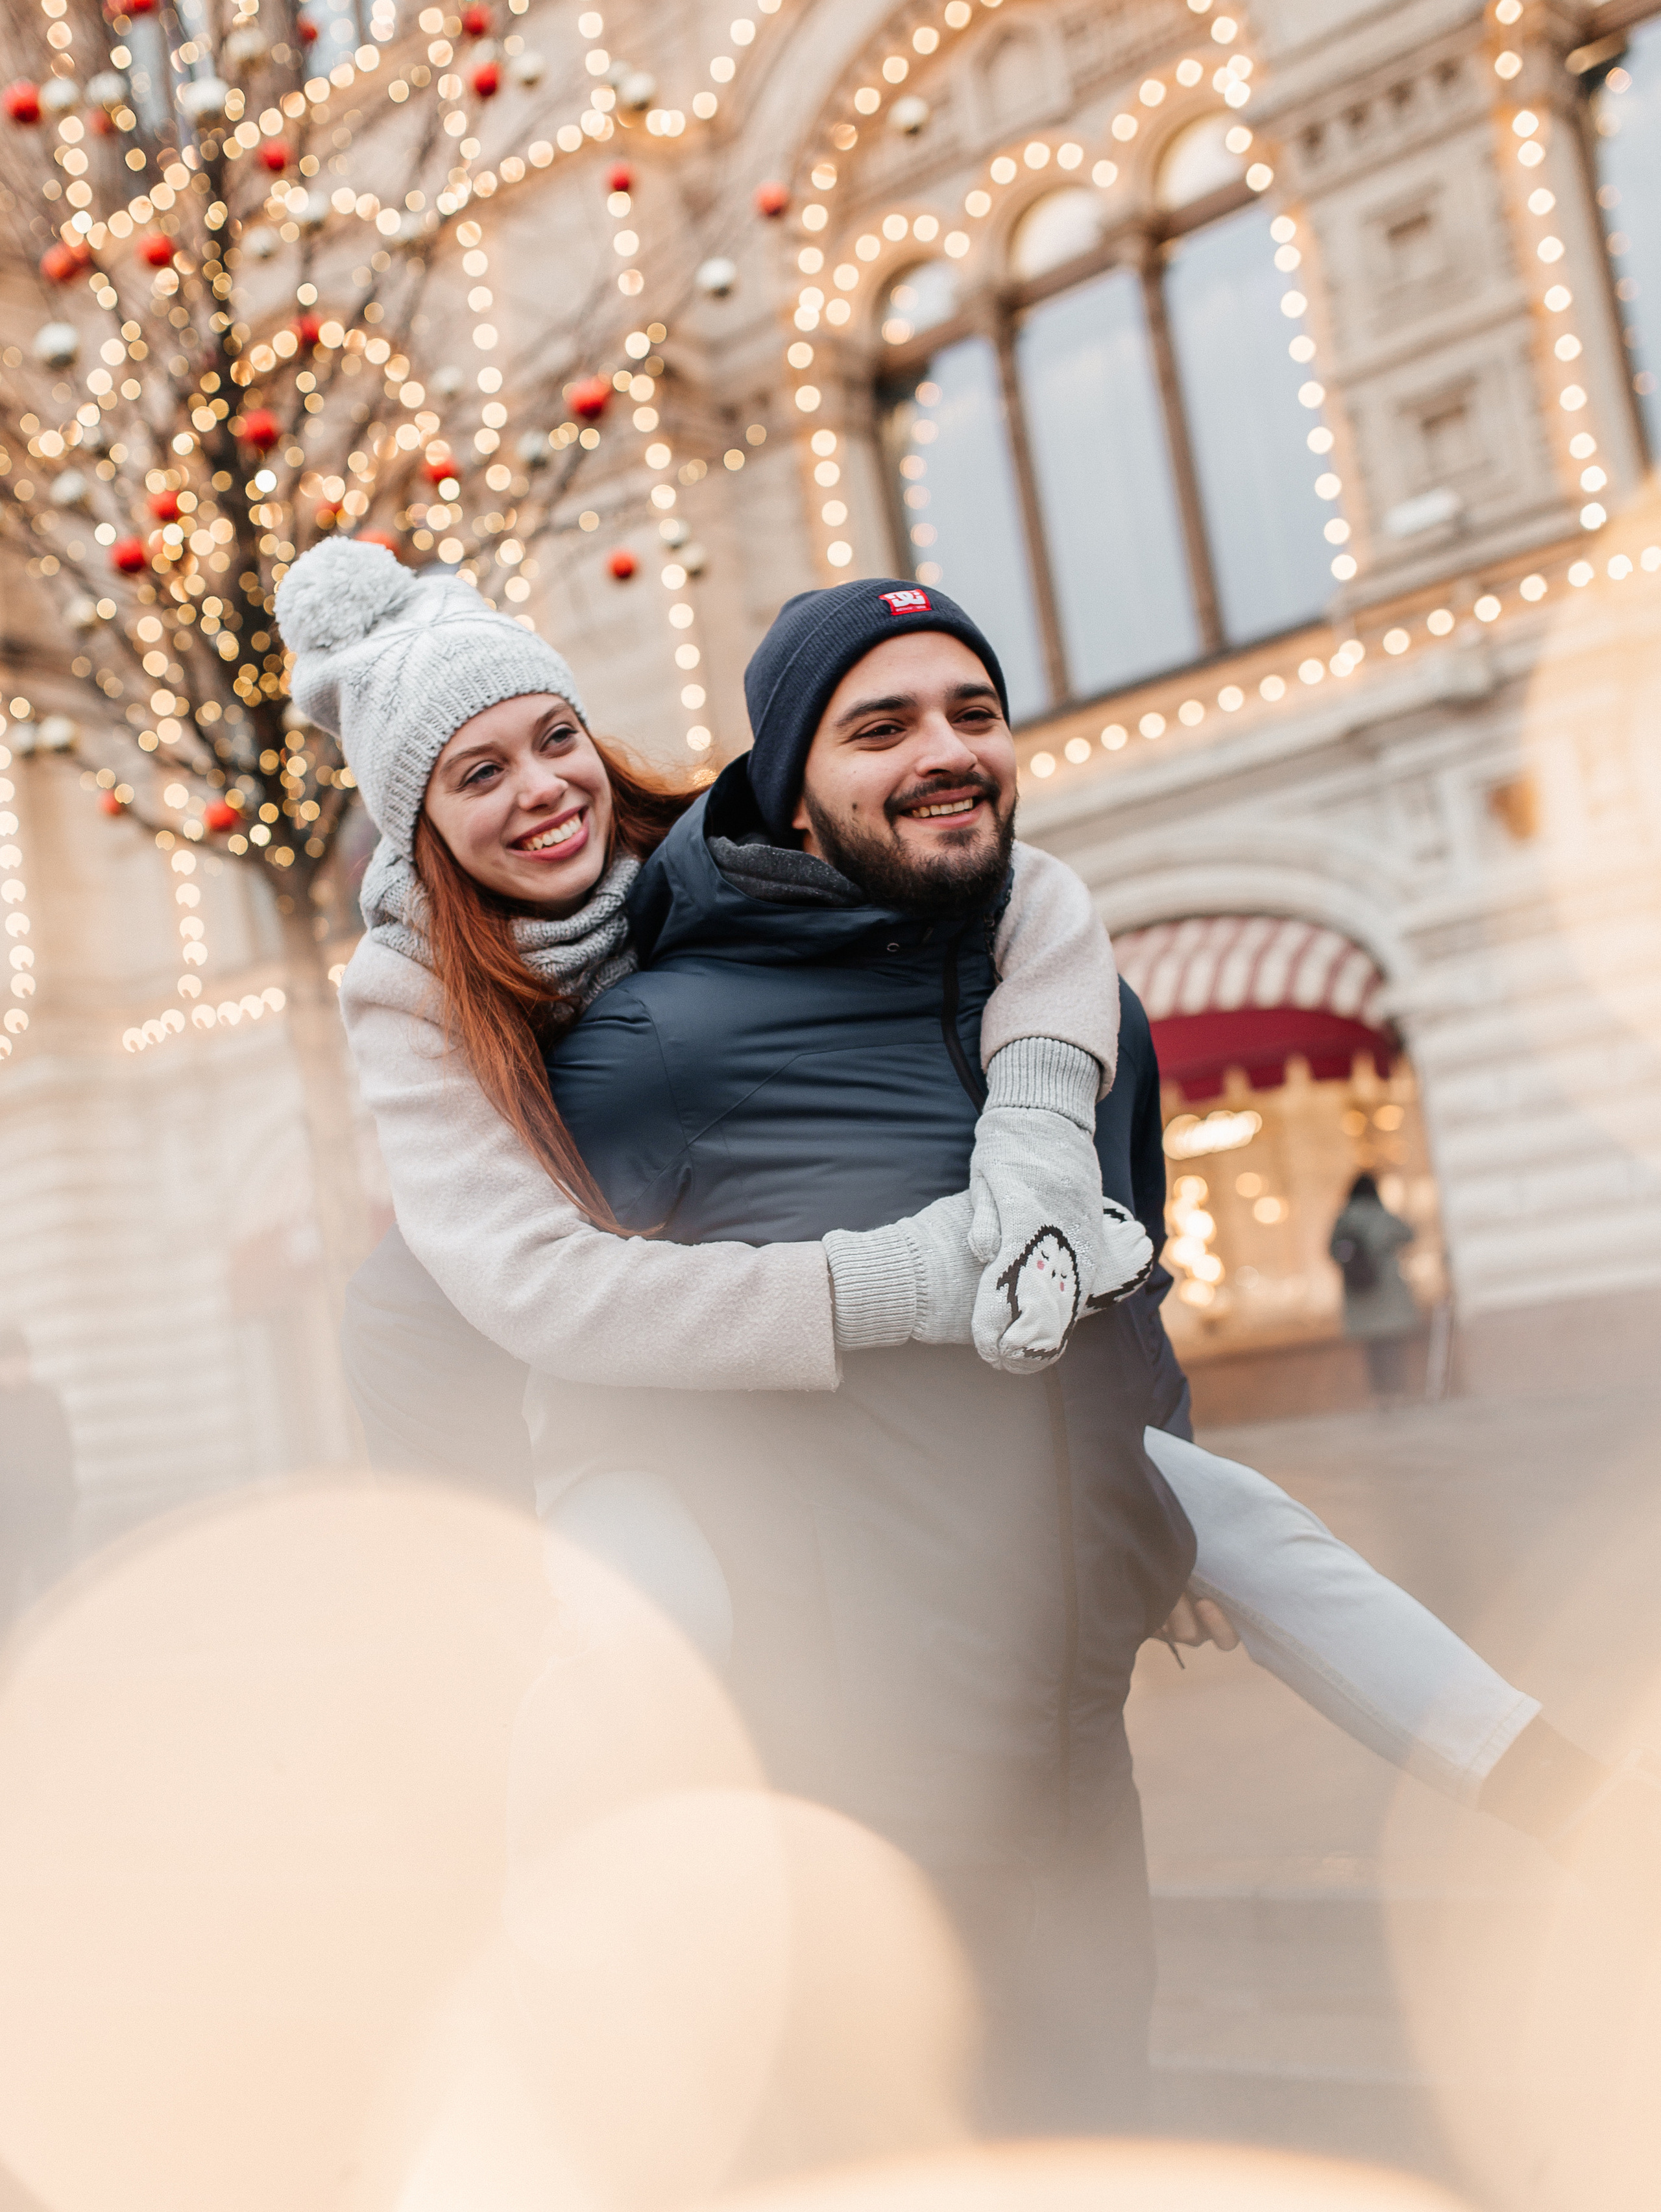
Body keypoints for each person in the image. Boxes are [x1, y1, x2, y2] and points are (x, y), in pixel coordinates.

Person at [280, 548, 1630, 2122]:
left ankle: (1559, 1794)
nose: (539, 792)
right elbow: (523, 1294)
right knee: (637, 1629)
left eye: (552, 739)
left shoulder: (690, 862)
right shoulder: (411, 996)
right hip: (626, 1412)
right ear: (416, 818)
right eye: (477, 772)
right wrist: (889, 1286)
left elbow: (1029, 890)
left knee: (1231, 1520)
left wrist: (1042, 1148)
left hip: (896, 1412)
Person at [0, 1325, 76, 1641]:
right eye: (8, 1361)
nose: (17, 1368)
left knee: (57, 1599)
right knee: (7, 1605)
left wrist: (66, 1504)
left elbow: (64, 1455)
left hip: (47, 1521)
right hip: (7, 1528)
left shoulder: (47, 1400)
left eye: (22, 1359)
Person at [1330, 1170, 1420, 1403]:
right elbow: (1409, 1235)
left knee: (1373, 1352)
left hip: (1360, 1295)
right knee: (1392, 1349)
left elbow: (1331, 1251)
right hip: (1387, 1292)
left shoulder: (1344, 1219)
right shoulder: (1381, 1216)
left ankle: (1381, 1396)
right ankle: (1398, 1393)